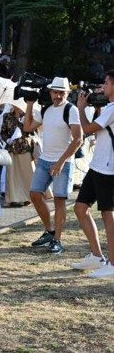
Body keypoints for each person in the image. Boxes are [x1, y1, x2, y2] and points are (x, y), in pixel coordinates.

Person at [23, 77, 83, 254]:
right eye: (55, 92)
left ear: (67, 93)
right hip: (45, 159)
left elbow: (78, 139)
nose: (57, 96)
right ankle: (49, 231)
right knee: (34, 194)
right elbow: (27, 127)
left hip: (63, 161)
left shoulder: (70, 110)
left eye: (61, 93)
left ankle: (57, 240)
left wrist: (61, 162)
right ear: (50, 92)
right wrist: (29, 104)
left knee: (59, 200)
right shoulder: (46, 109)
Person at [70, 71, 114, 278]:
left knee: (108, 215)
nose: (102, 87)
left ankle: (112, 264)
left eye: (105, 83)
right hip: (97, 166)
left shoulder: (113, 109)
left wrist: (80, 108)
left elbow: (87, 129)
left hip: (109, 169)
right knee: (80, 208)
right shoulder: (107, 109)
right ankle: (97, 256)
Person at [0, 98, 37, 207]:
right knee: (11, 175)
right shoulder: (7, 116)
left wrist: (24, 123)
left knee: (27, 174)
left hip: (25, 147)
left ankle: (28, 197)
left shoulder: (28, 115)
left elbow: (33, 131)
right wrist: (7, 139)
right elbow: (3, 132)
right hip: (12, 147)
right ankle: (11, 199)